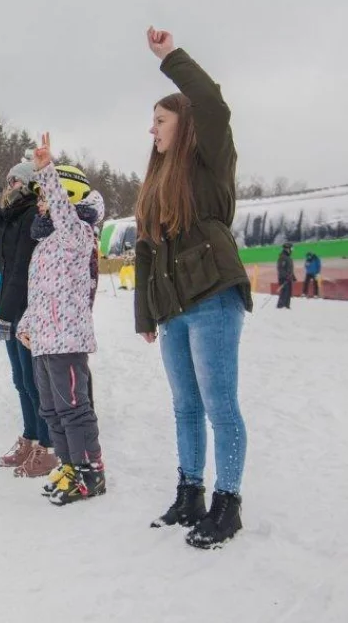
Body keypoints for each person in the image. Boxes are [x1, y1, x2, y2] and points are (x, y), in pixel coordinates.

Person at [136, 28, 253, 549]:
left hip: (213, 298)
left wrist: (170, 57)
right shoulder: (157, 180)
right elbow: (145, 247)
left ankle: (228, 502)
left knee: (219, 404)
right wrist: (145, 313)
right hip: (173, 309)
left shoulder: (210, 163)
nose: (152, 130)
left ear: (184, 124)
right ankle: (191, 492)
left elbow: (213, 103)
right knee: (185, 406)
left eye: (160, 120)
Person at [15, 134, 106, 506]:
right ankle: (70, 465)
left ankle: (90, 472)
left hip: (67, 339)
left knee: (74, 408)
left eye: (45, 197)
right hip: (44, 340)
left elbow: (63, 215)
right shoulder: (46, 243)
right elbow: (40, 292)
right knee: (50, 408)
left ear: (64, 196)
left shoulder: (77, 234)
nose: (40, 204)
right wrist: (25, 325)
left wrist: (46, 171)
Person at [0, 135, 56, 477]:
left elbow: (21, 269)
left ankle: (47, 448)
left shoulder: (34, 216)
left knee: (35, 383)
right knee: (21, 380)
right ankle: (31, 438)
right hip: (11, 308)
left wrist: (5, 316)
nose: (8, 186)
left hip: (29, 312)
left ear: (30, 184)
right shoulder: (10, 216)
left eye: (14, 181)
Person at [277, 243, 295, 308]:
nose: (292, 250)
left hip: (288, 278)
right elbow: (281, 268)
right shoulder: (283, 257)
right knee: (284, 293)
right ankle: (281, 306)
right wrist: (285, 276)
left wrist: (293, 276)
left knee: (288, 293)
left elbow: (289, 269)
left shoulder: (288, 257)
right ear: (287, 249)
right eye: (291, 248)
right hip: (283, 278)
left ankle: (286, 306)